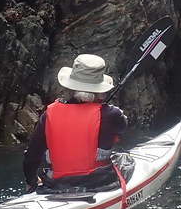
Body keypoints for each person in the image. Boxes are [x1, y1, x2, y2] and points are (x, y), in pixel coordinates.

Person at [23, 54, 128, 191]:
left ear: (70, 88)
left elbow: (31, 156)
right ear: (100, 90)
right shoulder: (112, 114)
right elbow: (122, 127)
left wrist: (30, 180)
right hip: (98, 183)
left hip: (57, 184)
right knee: (126, 161)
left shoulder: (48, 115)